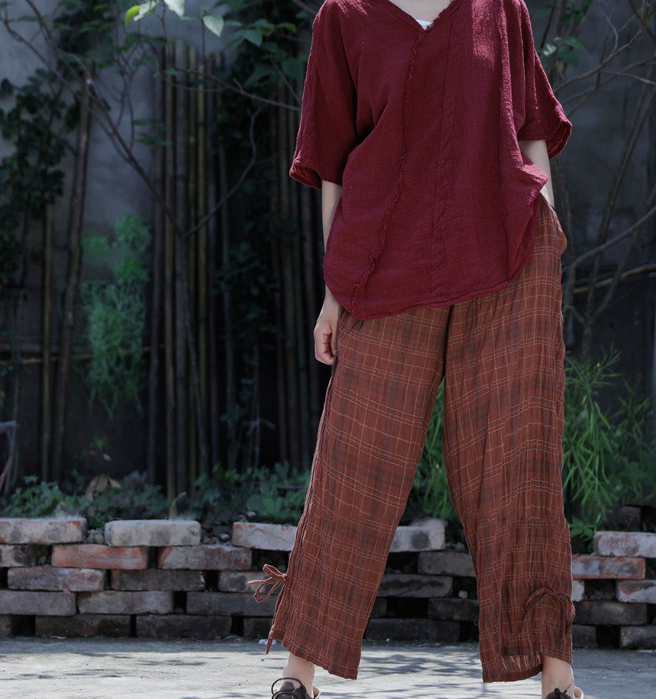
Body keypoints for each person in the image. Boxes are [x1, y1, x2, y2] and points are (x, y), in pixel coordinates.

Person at [250, 1, 583, 698]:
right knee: (354, 458)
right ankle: (299, 670)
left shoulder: (500, 9)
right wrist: (334, 291)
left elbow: (531, 128)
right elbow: (332, 163)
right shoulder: (344, 17)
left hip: (506, 254)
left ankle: (557, 673)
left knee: (518, 460)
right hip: (384, 264)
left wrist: (547, 230)